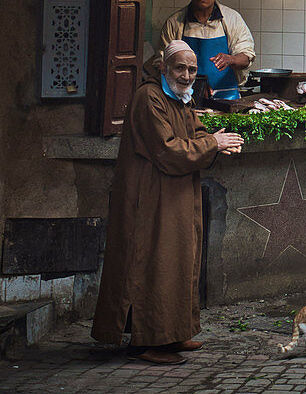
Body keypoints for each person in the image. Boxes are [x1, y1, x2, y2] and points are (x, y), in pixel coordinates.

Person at [92, 41, 244, 364]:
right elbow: (169, 150)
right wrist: (212, 144)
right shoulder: (149, 98)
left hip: (175, 195)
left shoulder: (181, 99)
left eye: (191, 69)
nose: (187, 75)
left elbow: (199, 134)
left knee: (176, 263)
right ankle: (144, 342)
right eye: (180, 68)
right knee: (150, 264)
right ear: (163, 67)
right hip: (149, 198)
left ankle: (172, 334)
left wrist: (214, 144)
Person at [160, 0, 254, 100]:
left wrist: (231, 59)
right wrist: (194, 87)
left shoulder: (232, 19)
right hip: (184, 97)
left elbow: (246, 57)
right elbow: (162, 63)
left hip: (227, 97)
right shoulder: (174, 23)